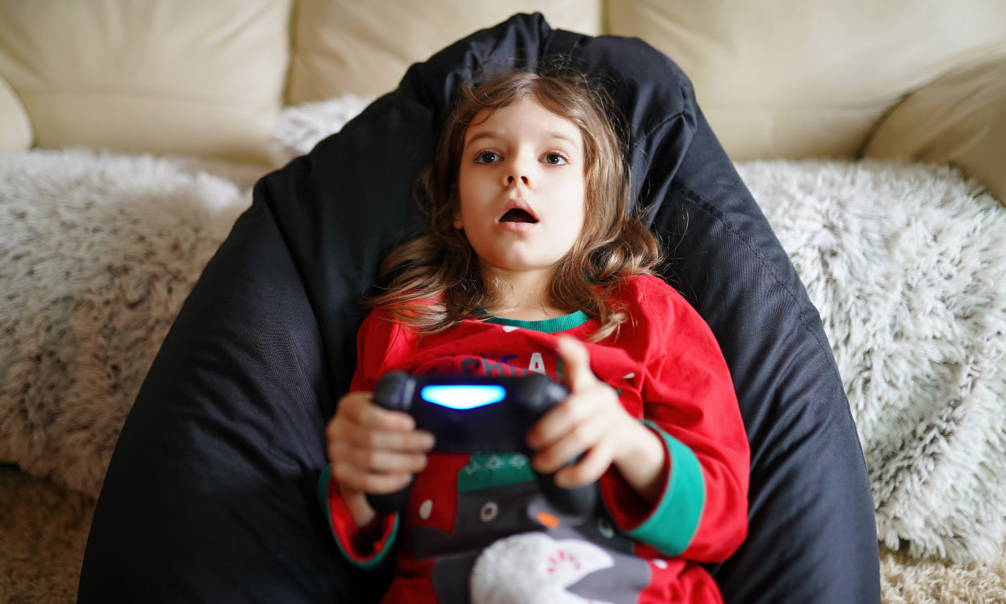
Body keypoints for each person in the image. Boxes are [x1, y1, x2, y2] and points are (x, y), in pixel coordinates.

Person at [319, 68, 750, 603]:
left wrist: (627, 440)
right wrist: (359, 479)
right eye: (488, 156)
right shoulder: (405, 322)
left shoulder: (648, 313)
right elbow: (363, 531)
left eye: (553, 158)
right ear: (454, 206)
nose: (517, 172)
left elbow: (724, 516)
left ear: (593, 200)